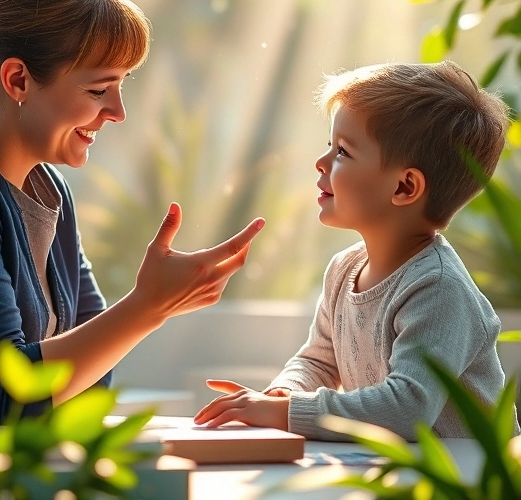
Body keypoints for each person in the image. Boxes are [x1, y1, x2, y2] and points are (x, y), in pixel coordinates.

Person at [0, 0, 264, 423]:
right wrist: (148, 306)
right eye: (98, 90)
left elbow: (85, 386)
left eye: (122, 86)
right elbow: (3, 397)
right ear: (18, 80)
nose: (118, 112)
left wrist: (151, 305)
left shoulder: (48, 189)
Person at [194, 60, 520, 440]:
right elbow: (317, 360)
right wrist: (286, 392)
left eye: (343, 152)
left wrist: (286, 413)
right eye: (329, 145)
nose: (321, 162)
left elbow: (406, 410)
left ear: (404, 188)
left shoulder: (439, 290)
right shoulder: (343, 269)